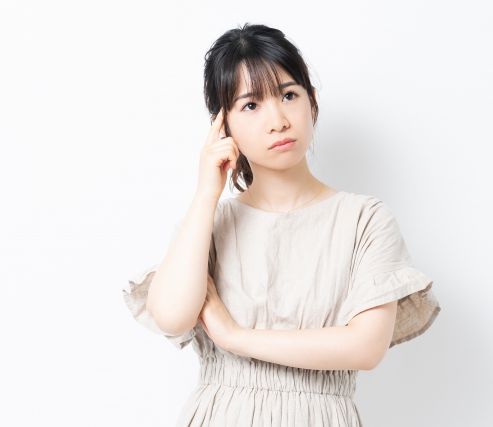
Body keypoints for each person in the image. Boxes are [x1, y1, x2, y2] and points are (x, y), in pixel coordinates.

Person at [122, 22, 441, 427]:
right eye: (251, 105)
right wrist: (206, 193)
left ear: (312, 103)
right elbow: (171, 316)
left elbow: (366, 346)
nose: (277, 120)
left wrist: (235, 337)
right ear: (223, 126)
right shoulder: (209, 223)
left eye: (289, 95)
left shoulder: (364, 219)